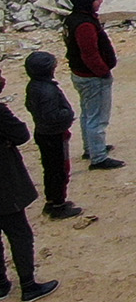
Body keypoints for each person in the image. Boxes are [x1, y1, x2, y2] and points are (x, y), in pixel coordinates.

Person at [0, 78, 57, 302]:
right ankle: (28, 285)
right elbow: (21, 135)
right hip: (4, 182)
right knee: (19, 233)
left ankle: (1, 285)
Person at [63, 0, 121, 170]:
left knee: (88, 113)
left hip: (81, 74)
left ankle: (91, 148)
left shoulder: (73, 19)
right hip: (93, 77)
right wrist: (103, 72)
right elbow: (90, 54)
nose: (100, 1)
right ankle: (98, 157)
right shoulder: (85, 25)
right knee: (98, 118)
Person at [22, 53, 78, 220]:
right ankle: (58, 205)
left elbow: (29, 106)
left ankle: (52, 201)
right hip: (54, 135)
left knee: (51, 169)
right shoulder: (48, 90)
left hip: (43, 132)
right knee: (60, 170)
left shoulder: (33, 86)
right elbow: (52, 115)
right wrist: (68, 114)